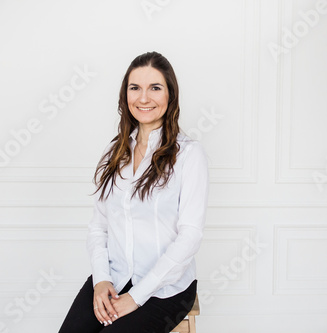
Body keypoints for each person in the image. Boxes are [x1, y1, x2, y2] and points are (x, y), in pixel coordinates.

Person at [58, 51, 209, 333]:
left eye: (155, 88)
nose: (143, 98)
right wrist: (101, 280)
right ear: (124, 95)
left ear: (171, 95)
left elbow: (190, 237)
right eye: (135, 88)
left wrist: (137, 297)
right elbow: (98, 227)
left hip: (166, 288)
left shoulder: (189, 155)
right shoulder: (114, 153)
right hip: (115, 277)